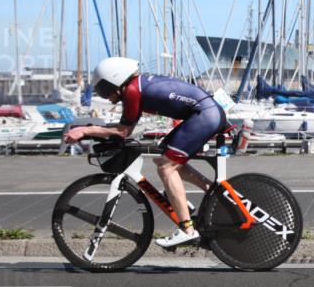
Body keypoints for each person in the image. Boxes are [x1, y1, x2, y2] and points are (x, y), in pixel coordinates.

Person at [63, 57, 228, 247]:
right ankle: (213, 194)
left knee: (167, 168)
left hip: (204, 115)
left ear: (115, 80)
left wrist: (85, 130)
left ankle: (187, 229)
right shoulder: (138, 85)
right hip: (205, 113)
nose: (105, 96)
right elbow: (125, 127)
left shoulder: (133, 90)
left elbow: (123, 131)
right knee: (164, 162)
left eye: (104, 89)